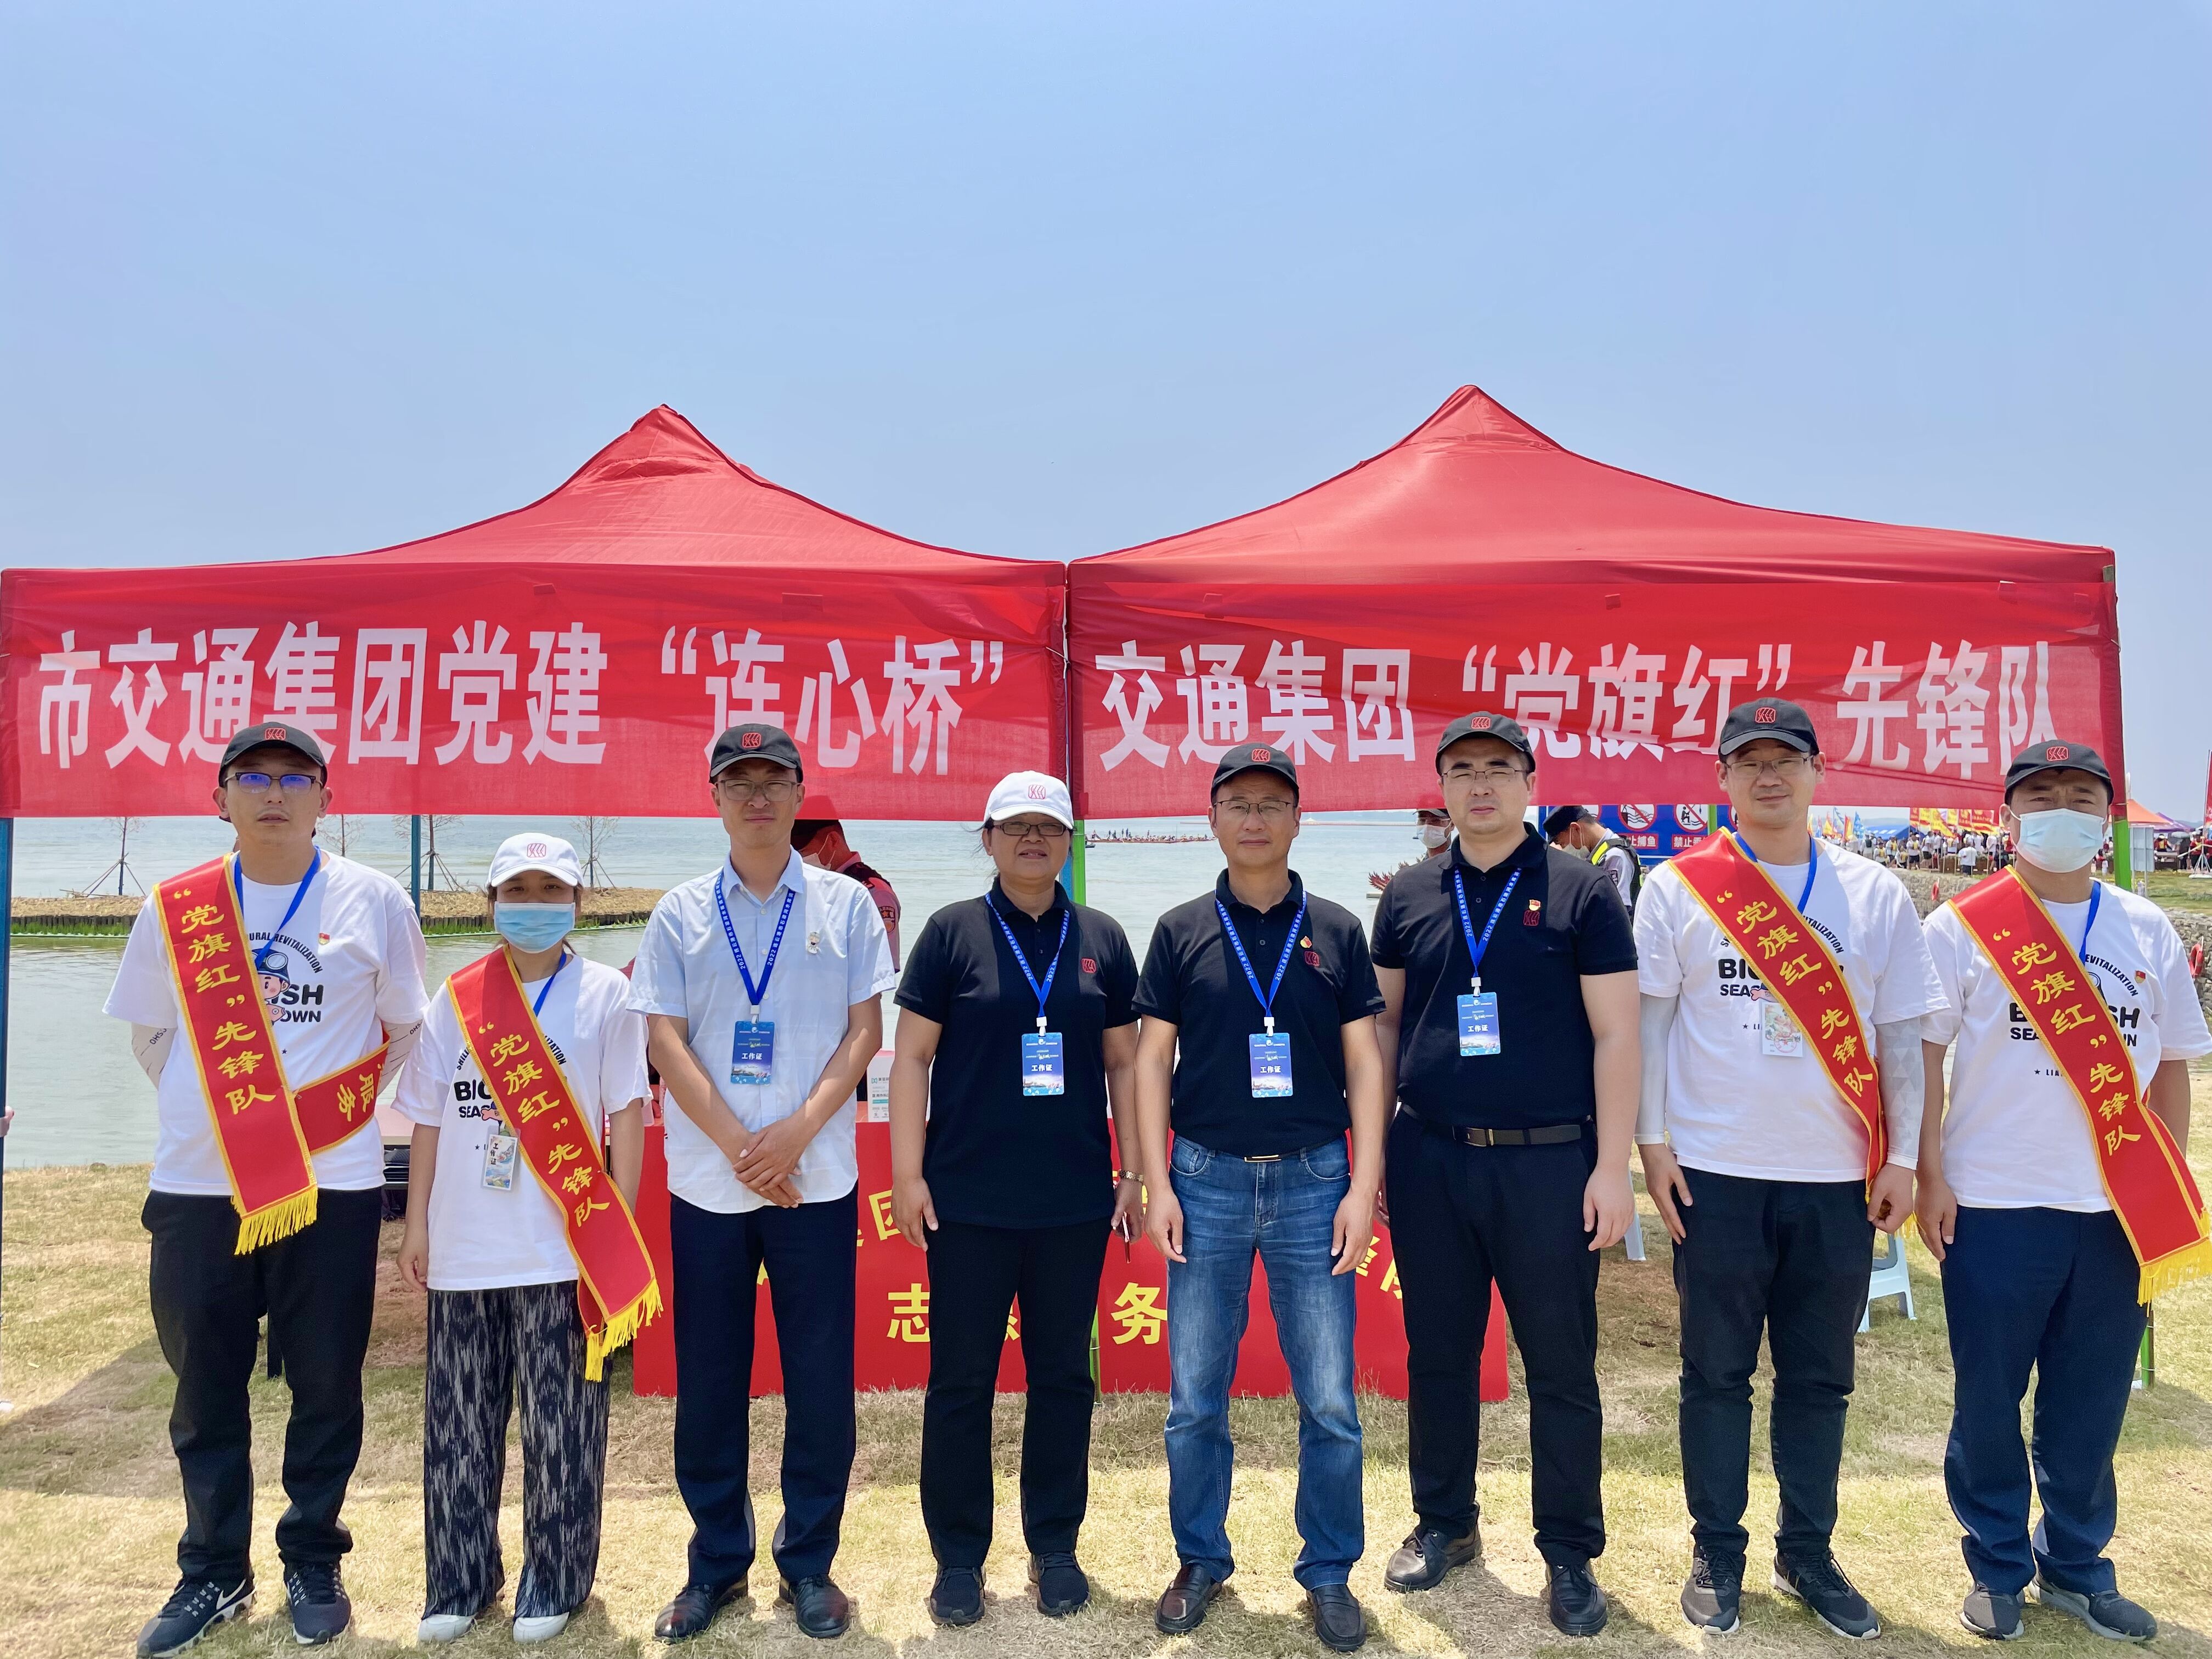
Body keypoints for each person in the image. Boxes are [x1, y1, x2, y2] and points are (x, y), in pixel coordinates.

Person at [104, 723, 428, 1656]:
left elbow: (403, 1031)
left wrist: (318, 1119)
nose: (274, 792)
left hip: (332, 1184)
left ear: (326, 796)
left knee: (326, 1381)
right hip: (198, 1185)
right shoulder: (177, 906)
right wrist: (219, 1120)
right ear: (221, 799)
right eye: (252, 776)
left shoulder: (375, 899)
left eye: (294, 776)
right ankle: (213, 1568)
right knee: (206, 1386)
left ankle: (313, 1557)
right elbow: (151, 1036)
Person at [1633, 698, 1942, 1639]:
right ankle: (1716, 1552)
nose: (1768, 775)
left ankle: (1806, 1551)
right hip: (1713, 1172)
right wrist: (1653, 1146)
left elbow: (1900, 1040)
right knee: (1714, 1373)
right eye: (1749, 760)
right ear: (1721, 777)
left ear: (1817, 771)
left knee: (1819, 1377)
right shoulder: (1678, 887)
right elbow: (1650, 1030)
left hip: (1836, 1176)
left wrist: (1901, 1157)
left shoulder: (1875, 894)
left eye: (1786, 758)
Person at [1916, 741, 2210, 1642]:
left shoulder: (2145, 927)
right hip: (1994, 1203)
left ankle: (2077, 1567)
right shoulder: (1962, 926)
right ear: (2007, 815)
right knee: (1988, 1400)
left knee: (2091, 1403)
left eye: (2080, 796)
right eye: (2039, 795)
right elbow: (1923, 1059)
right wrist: (1930, 1174)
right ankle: (1998, 1565)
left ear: (2106, 817)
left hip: (2115, 1213)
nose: (2061, 810)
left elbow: (2171, 1065)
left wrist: (2166, 1187)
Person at [628, 725, 898, 1643]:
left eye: (772, 781)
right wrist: (745, 1146)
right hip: (710, 1182)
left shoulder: (844, 904)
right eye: (737, 782)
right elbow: (664, 1041)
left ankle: (810, 1563)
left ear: (798, 793)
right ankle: (715, 1563)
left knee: (820, 1377)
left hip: (814, 1178)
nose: (756, 797)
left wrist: (793, 1135)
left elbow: (865, 1033)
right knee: (710, 1377)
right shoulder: (679, 912)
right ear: (714, 797)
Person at [1371, 713, 1639, 1638]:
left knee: (1560, 1363)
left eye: (1497, 767)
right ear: (1441, 787)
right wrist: (1376, 1152)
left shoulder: (1581, 888)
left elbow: (1617, 1033)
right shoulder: (1410, 891)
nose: (1479, 784)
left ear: (1530, 781)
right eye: (1461, 770)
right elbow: (1382, 1028)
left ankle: (1568, 1549)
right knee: (1439, 1352)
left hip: (1550, 1162)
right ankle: (1445, 1521)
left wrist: (1612, 1167)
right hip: (1431, 1154)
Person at [1135, 742, 1389, 1654]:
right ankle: (1200, 1557)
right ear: (1212, 818)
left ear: (1296, 819)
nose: (1254, 818)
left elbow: (1366, 1062)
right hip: (1203, 1179)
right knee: (1194, 1397)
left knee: (1329, 1400)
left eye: (1271, 803)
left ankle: (1329, 1571)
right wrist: (1157, 1179)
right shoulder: (1179, 929)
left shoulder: (1336, 929)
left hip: (1315, 1179)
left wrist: (1363, 1183)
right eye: (1237, 803)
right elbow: (1149, 1060)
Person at [888, 771, 1144, 1627]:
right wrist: (909, 1174)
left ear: (1068, 842)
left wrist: (1135, 1172)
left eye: (1048, 827)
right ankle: (959, 1558)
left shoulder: (1101, 937)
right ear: (989, 838)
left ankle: (1055, 1545)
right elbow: (910, 1059)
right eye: (1016, 826)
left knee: (1063, 1377)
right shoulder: (951, 933)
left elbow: (1124, 1066)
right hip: (966, 1204)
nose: (1033, 840)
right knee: (961, 1382)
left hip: (1073, 1204)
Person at [397, 833, 653, 1644]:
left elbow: (627, 1114)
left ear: (577, 902)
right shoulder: (458, 997)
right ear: (492, 904)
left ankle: (557, 1580)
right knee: (457, 1427)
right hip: (465, 1246)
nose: (534, 905)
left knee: (562, 1427)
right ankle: (459, 1580)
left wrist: (620, 1226)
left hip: (563, 1247)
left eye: (551, 891)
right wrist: (417, 1222)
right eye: (517, 891)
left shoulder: (607, 995)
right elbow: (428, 1118)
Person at [794, 818, 902, 967]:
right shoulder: (810, 885)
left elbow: (881, 966)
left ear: (832, 841)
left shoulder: (874, 892)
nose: (799, 860)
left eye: (803, 852)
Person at [1543, 803, 1643, 915]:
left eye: (1563, 844)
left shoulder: (1614, 856)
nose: (1564, 849)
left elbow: (1615, 911)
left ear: (1575, 829)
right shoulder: (1599, 853)